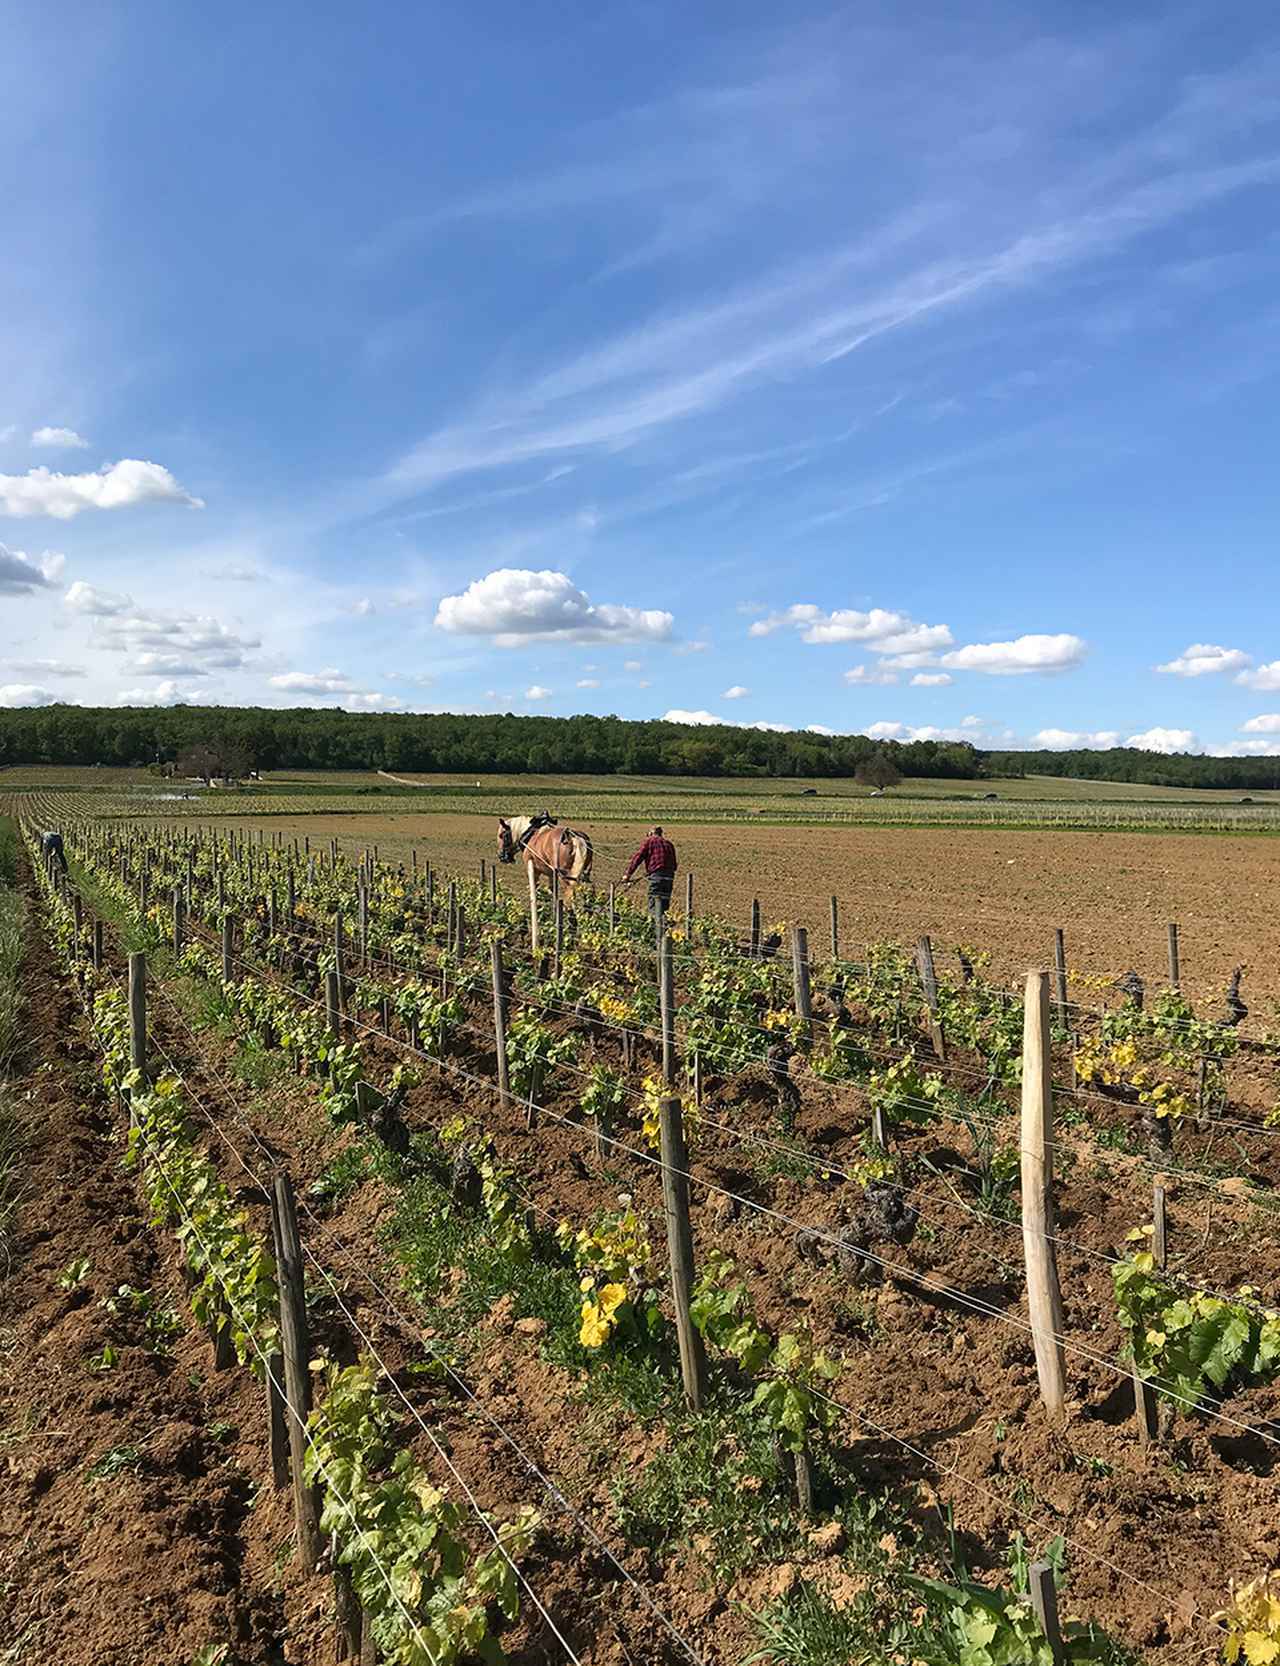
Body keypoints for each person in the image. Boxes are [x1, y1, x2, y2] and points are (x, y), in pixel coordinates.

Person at [625, 825, 677, 930]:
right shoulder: (669, 844)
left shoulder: (649, 842)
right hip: (669, 878)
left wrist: (628, 874)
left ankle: (656, 931)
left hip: (656, 877)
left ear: (651, 833)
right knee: (664, 906)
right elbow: (675, 866)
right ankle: (664, 930)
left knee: (653, 905)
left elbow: (637, 858)